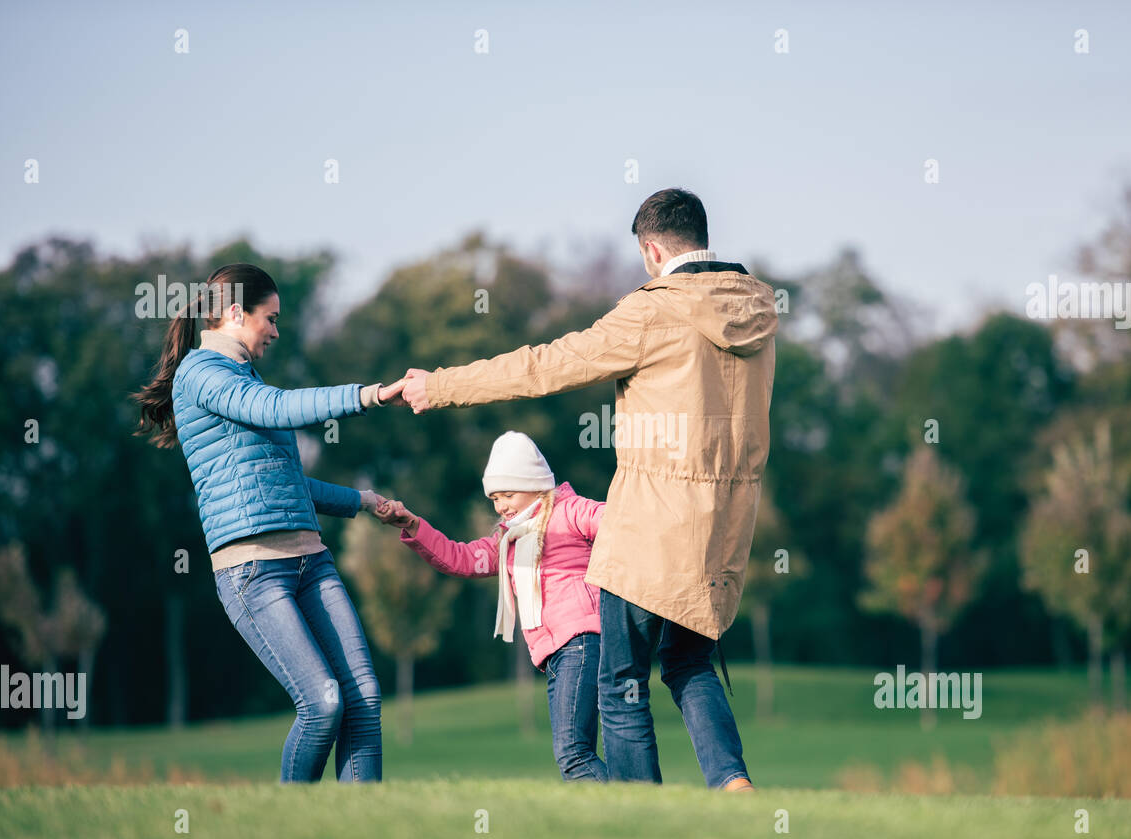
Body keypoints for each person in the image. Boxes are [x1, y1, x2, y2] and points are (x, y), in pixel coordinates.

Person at [399, 188, 777, 790]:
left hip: (650, 529)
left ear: (652, 250)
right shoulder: (756, 314)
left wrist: (441, 386)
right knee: (687, 663)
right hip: (724, 531)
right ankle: (733, 784)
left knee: (621, 683)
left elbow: (546, 365)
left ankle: (637, 815)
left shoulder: (654, 310)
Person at [132, 263, 409, 783]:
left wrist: (365, 501)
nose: (276, 332)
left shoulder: (243, 380)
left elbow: (287, 485)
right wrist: (368, 394)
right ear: (237, 313)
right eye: (271, 319)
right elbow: (279, 408)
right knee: (323, 702)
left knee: (363, 698)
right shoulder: (202, 375)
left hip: (311, 562)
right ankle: (283, 824)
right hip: (254, 573)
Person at [379, 431, 608, 782]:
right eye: (495, 498)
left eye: (508, 494)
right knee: (573, 752)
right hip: (555, 654)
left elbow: (618, 522)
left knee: (573, 753)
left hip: (581, 641)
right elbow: (462, 558)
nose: (500, 506)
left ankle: (619, 810)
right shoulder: (509, 540)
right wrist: (414, 526)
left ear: (535, 485)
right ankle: (626, 804)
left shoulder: (569, 511)